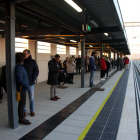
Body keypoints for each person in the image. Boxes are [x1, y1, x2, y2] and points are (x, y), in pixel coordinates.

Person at [15, 53, 31, 125]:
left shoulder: (20, 66)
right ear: (21, 59)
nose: (24, 60)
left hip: (23, 88)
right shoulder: (18, 67)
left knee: (22, 104)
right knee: (21, 104)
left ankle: (22, 117)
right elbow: (19, 79)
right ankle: (21, 118)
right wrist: (26, 84)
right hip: (22, 89)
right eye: (23, 58)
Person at [23, 49, 39, 117]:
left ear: (29, 54)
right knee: (23, 98)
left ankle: (32, 110)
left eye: (25, 54)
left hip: (30, 83)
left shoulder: (33, 62)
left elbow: (36, 71)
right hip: (23, 83)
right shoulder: (21, 62)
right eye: (23, 54)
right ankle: (23, 111)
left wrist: (33, 79)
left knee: (31, 98)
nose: (23, 55)